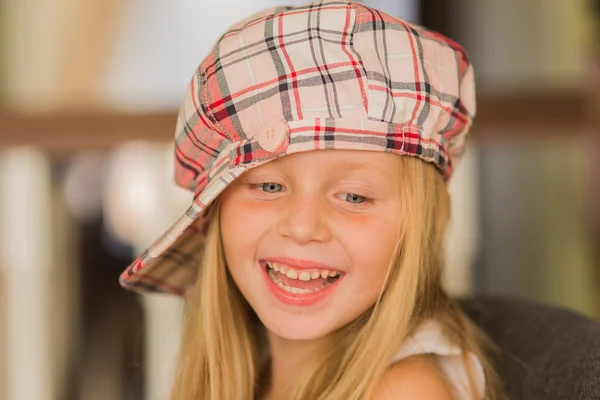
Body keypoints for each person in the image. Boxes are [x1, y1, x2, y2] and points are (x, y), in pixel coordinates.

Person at [119, 1, 507, 398]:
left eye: (354, 196)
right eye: (269, 186)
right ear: (216, 209)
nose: (302, 227)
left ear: (419, 223)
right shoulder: (259, 372)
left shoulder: (403, 392)